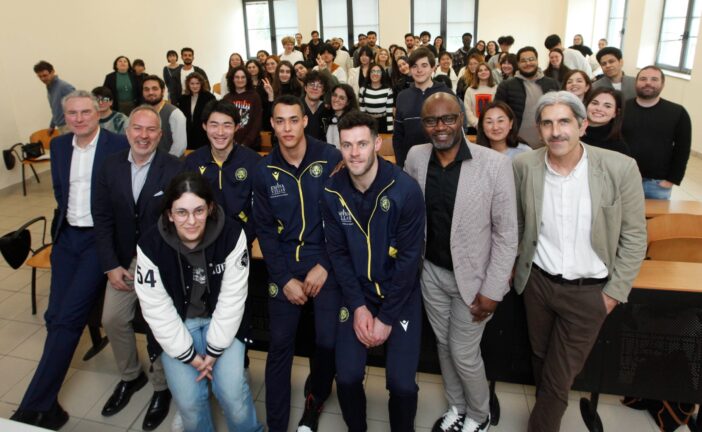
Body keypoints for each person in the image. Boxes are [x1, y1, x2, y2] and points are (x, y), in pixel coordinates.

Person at [512, 90, 647, 432]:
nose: (556, 131)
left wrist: (613, 292)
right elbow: (517, 223)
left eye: (564, 122)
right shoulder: (524, 165)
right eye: (547, 123)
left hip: (590, 291)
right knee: (541, 359)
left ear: (583, 125)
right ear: (538, 130)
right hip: (538, 285)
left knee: (558, 376)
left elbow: (634, 236)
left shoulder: (619, 168)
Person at [10, 91, 129, 430]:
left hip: (98, 242)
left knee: (68, 320)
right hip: (66, 239)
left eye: (85, 112)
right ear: (64, 117)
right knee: (54, 316)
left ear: (98, 112)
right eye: (72, 113)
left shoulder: (117, 145)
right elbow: (62, 193)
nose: (78, 119)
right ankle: (46, 405)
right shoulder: (60, 147)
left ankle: (32, 409)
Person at [405, 92, 517, 432]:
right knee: (443, 346)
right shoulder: (416, 156)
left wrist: (494, 290)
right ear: (423, 125)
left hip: (474, 280)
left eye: (448, 118)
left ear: (463, 120)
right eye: (431, 120)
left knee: (464, 353)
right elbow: (405, 207)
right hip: (431, 274)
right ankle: (456, 406)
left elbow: (506, 234)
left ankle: (479, 416)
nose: (440, 127)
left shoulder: (494, 164)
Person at [134, 171, 263, 432]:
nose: (191, 221)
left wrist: (213, 352)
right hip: (179, 325)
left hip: (221, 320)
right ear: (169, 213)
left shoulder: (232, 234)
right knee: (190, 404)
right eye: (181, 212)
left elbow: (232, 299)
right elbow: (157, 309)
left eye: (199, 211)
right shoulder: (150, 244)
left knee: (233, 395)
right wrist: (191, 357)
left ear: (210, 208)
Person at [322, 112, 425, 431]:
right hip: (357, 294)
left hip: (400, 295)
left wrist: (386, 318)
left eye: (362, 144)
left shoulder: (405, 190)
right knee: (348, 377)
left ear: (378, 144)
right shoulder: (332, 191)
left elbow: (410, 261)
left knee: (402, 384)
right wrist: (358, 307)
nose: (354, 153)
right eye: (347, 145)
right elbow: (338, 254)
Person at [253, 95, 342, 432]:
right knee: (279, 347)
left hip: (325, 262)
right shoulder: (264, 170)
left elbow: (343, 217)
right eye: (280, 121)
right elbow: (264, 230)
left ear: (305, 120)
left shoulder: (331, 157)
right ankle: (276, 425)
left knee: (327, 342)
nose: (287, 127)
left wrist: (325, 265)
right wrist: (284, 277)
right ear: (272, 125)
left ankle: (315, 401)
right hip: (285, 267)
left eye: (294, 119)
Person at [93, 105, 182, 431]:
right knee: (112, 318)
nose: (144, 136)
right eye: (138, 129)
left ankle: (161, 387)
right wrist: (110, 265)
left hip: (161, 260)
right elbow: (100, 218)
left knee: (157, 323)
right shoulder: (109, 166)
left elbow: (181, 220)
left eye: (151, 130)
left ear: (160, 135)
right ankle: (131, 377)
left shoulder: (173, 168)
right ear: (127, 131)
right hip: (123, 259)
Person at [621, 66, 692, 199]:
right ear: (636, 83)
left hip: (657, 183)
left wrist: (672, 179)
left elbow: (682, 148)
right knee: (621, 219)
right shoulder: (622, 108)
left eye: (654, 79)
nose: (648, 83)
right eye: (643, 79)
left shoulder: (677, 112)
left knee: (654, 220)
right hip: (623, 179)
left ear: (662, 84)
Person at [393, 47, 451, 167]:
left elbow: (455, 132)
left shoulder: (446, 94)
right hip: (411, 163)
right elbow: (398, 136)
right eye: (414, 66)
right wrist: (401, 164)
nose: (419, 70)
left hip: (442, 163)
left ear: (433, 68)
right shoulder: (402, 96)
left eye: (424, 65)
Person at [494, 46, 560, 149]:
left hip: (548, 145)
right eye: (523, 61)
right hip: (516, 146)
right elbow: (497, 113)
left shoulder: (552, 84)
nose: (528, 63)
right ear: (518, 64)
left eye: (531, 59)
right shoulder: (506, 86)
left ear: (537, 61)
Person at [142, 75, 187, 157]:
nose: (150, 92)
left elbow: (179, 147)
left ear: (162, 91)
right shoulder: (140, 113)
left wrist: (165, 164)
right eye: (146, 89)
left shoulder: (175, 114)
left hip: (169, 164)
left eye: (155, 89)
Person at [223, 66, 263, 151]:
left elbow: (257, 122)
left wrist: (246, 143)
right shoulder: (227, 98)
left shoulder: (255, 96)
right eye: (237, 77)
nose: (240, 80)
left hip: (251, 144)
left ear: (247, 79)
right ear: (232, 79)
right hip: (230, 144)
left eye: (243, 77)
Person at [582, 88, 630, 155]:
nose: (599, 109)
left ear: (616, 113)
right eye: (595, 103)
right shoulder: (572, 132)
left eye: (607, 106)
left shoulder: (618, 147)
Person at [34, 61, 75, 135]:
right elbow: (56, 109)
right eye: (40, 76)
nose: (43, 79)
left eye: (45, 75)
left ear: (52, 72)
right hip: (61, 127)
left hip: (70, 127)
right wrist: (52, 125)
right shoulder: (50, 88)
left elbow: (78, 105)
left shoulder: (64, 87)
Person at [177, 72, 216, 150]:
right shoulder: (182, 99)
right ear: (188, 84)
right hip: (187, 134)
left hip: (203, 134)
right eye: (192, 83)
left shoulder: (209, 97)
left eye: (197, 83)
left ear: (201, 84)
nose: (195, 86)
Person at [359, 64, 394, 133]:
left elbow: (389, 112)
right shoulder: (362, 90)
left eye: (378, 72)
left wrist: (390, 130)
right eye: (373, 71)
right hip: (368, 122)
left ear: (382, 74)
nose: (375, 74)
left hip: (383, 122)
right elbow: (362, 112)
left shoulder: (388, 90)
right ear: (369, 73)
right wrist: (362, 128)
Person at [302, 70, 333, 140]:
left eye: (319, 86)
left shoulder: (327, 109)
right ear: (305, 88)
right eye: (312, 84)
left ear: (323, 91)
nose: (315, 88)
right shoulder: (296, 106)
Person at [464, 62, 497, 129]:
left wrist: (489, 123)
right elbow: (467, 109)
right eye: (480, 70)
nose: (483, 72)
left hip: (492, 126)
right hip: (473, 127)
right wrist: (476, 123)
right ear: (477, 74)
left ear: (490, 72)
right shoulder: (470, 90)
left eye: (486, 70)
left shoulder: (496, 88)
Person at [327, 83, 359, 147]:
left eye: (341, 98)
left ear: (348, 102)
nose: (336, 100)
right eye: (334, 95)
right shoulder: (327, 116)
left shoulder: (352, 122)